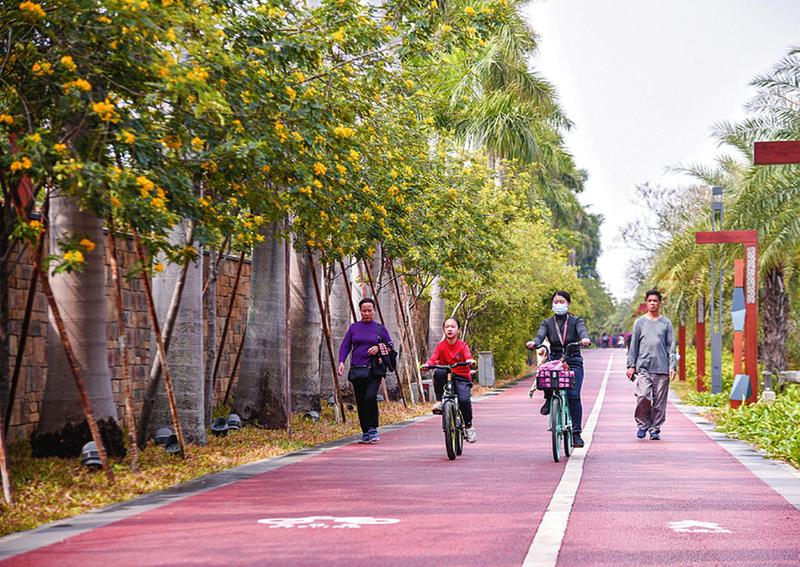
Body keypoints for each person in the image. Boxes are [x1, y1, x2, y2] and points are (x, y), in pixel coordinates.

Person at [526, 291, 591, 448]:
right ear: (552, 304)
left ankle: (576, 434)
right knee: (545, 378)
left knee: (573, 396)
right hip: (554, 361)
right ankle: (549, 399)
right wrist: (534, 343)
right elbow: (540, 336)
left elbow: (582, 331)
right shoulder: (547, 323)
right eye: (556, 302)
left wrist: (584, 339)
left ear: (568, 304)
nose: (559, 304)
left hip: (573, 361)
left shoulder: (576, 321)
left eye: (562, 302)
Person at [338, 298, 394, 444]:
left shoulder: (379, 328)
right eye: (364, 310)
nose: (367, 313)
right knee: (361, 401)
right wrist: (342, 362)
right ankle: (365, 431)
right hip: (358, 370)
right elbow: (345, 346)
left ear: (374, 311)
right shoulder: (354, 328)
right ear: (360, 311)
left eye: (370, 310)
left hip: (375, 370)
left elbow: (390, 346)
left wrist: (378, 347)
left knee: (370, 397)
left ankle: (373, 428)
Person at [626, 289, 677, 441]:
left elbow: (671, 346)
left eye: (655, 300)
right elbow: (633, 345)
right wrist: (631, 365)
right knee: (643, 395)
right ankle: (642, 424)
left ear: (659, 303)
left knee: (660, 401)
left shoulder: (666, 323)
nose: (652, 303)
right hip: (643, 367)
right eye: (650, 301)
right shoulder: (640, 323)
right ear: (646, 302)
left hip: (662, 368)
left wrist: (672, 366)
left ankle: (655, 429)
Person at [421, 318, 477, 443]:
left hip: (462, 377)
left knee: (464, 400)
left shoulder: (463, 346)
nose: (450, 329)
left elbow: (468, 357)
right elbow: (434, 358)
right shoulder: (441, 346)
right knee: (439, 372)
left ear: (458, 330)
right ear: (444, 330)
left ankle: (468, 426)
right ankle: (440, 401)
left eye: (453, 327)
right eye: (447, 327)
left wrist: (470, 361)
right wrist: (427, 365)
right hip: (447, 376)